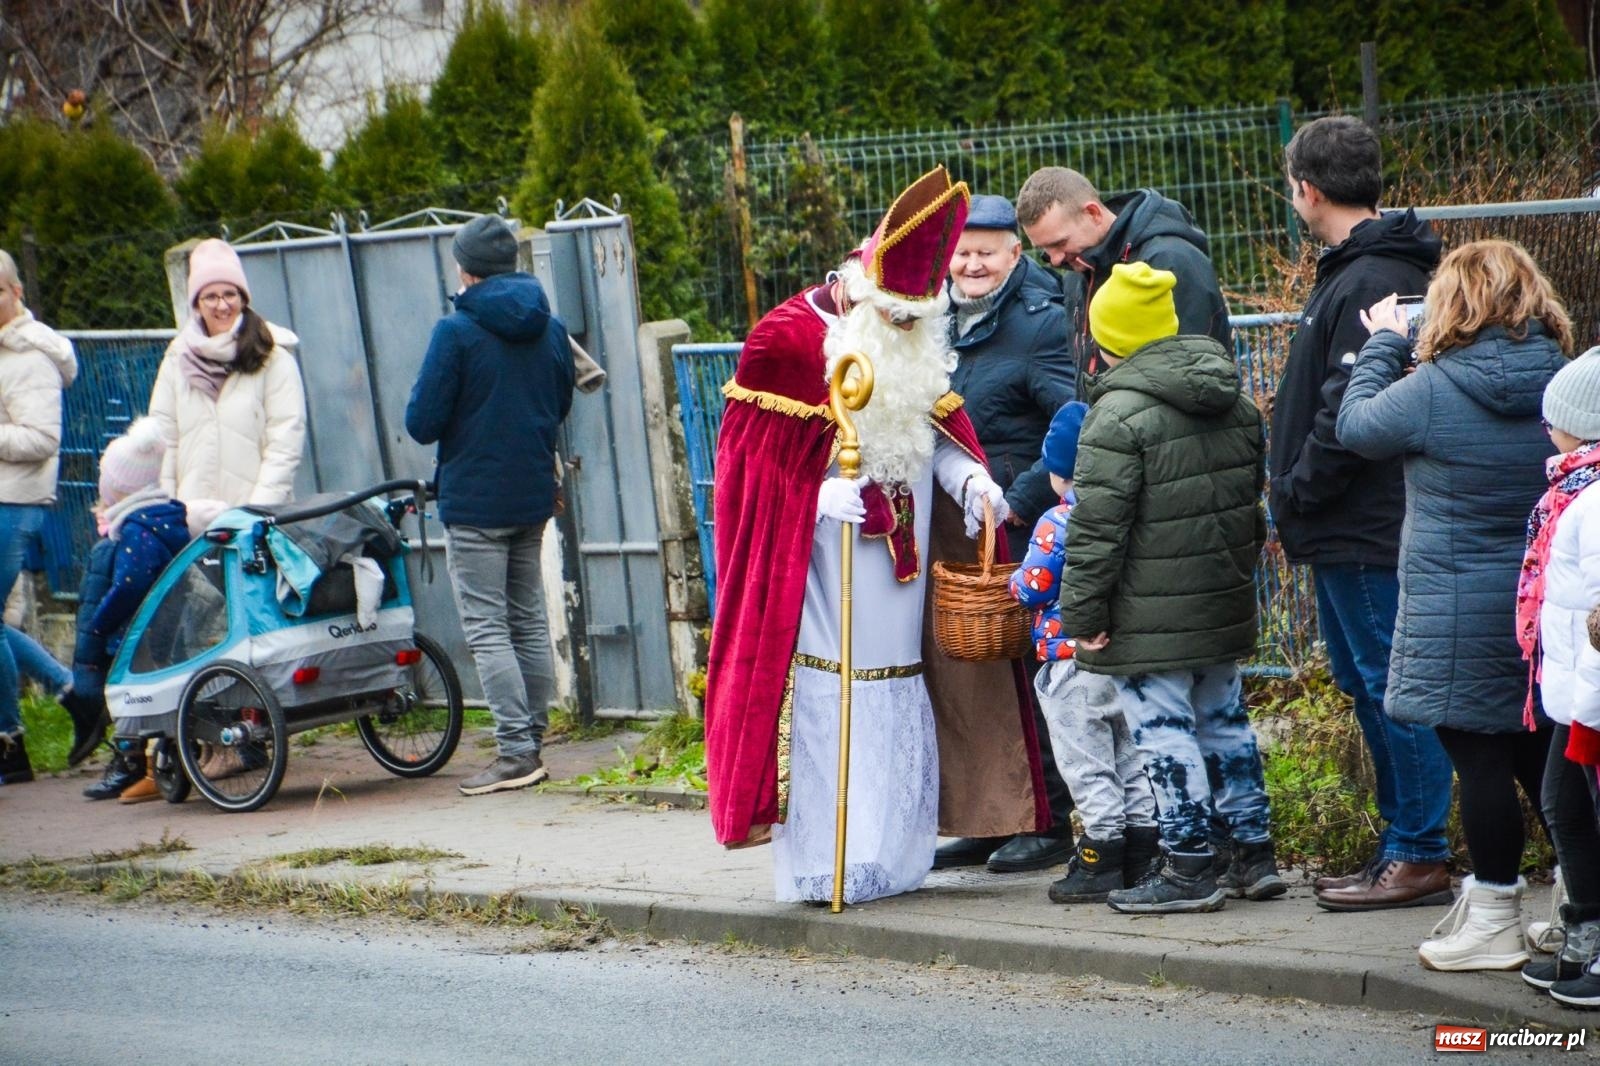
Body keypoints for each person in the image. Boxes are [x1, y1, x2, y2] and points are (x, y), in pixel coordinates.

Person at [705, 166, 1052, 904]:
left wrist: (970, 480)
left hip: (906, 565)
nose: (903, 330)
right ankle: (828, 860)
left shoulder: (912, 345)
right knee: (836, 698)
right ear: (860, 291)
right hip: (824, 568)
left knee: (898, 692)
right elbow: (745, 468)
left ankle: (892, 858)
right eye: (894, 316)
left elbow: (935, 433)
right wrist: (813, 494)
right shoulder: (787, 340)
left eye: (914, 319)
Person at [1336, 240, 1570, 969]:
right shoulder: (1566, 379)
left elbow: (1355, 427)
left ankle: (1494, 920)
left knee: (1480, 758)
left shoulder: (1433, 389)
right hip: (1546, 604)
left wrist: (1383, 342)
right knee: (1547, 757)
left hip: (1457, 609)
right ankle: (1579, 908)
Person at [1271, 116, 1456, 912]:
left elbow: (1349, 407)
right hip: (1342, 524)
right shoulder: (1362, 270)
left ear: (1307, 190)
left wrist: (1297, 489)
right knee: (1364, 681)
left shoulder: (1371, 276)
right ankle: (1398, 847)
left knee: (1391, 687)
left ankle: (1419, 851)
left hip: (1363, 523)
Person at [1060, 262, 1281, 914]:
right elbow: (1250, 509)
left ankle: (1188, 865)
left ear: (1108, 340)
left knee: (1162, 730)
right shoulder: (1236, 402)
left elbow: (1097, 529)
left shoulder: (1116, 416)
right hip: (1219, 596)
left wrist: (1084, 615)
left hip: (1145, 611)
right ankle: (1252, 853)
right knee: (1225, 721)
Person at [935, 193, 1082, 874]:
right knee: (977, 681)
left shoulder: (1042, 324)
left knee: (1029, 671)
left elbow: (1072, 423)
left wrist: (1019, 501)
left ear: (1015, 253)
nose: (972, 264)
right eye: (962, 253)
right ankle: (991, 817)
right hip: (958, 524)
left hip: (1018, 527)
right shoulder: (936, 320)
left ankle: (1047, 820)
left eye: (986, 253)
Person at [406, 214, 575, 797]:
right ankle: (531, 740)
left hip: (475, 502)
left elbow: (422, 422)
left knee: (487, 627)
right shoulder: (550, 328)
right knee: (527, 618)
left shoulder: (455, 332)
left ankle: (514, 752)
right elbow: (559, 404)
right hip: (532, 494)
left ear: (465, 269)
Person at [1009, 400, 1159, 902]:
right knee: (1130, 759)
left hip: (1071, 662)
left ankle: (1100, 858)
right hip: (1125, 658)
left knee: (1086, 763)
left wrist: (1014, 583)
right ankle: (1142, 855)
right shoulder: (1129, 512)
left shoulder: (1057, 520)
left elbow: (1034, 586)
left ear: (1058, 473)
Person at [0, 248, 98, 785]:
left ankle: (13, 742)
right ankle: (70, 697)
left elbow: (41, 439)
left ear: (17, 292)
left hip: (14, 503)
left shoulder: (31, 354)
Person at [1525, 348, 1600, 1008]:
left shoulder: (1594, 502)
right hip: (1575, 692)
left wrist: (1591, 706)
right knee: (1563, 805)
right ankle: (1586, 933)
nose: (1547, 425)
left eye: (1557, 416)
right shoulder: (1572, 490)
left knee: (1583, 810)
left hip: (1592, 699)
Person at [1016, 166, 1230, 390]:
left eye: (1060, 243)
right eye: (1044, 249)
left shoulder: (1170, 260)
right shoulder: (1077, 273)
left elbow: (1200, 379)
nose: (1055, 259)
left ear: (1093, 213)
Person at [149, 237, 306, 538]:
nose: (222, 305)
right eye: (210, 296)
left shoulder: (272, 357)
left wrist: (254, 517)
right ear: (196, 303)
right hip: (193, 529)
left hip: (257, 528)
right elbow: (163, 440)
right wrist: (169, 514)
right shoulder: (177, 358)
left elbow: (284, 444)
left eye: (230, 294)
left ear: (243, 298)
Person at [69, 419, 190, 802]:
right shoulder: (163, 517)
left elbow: (130, 583)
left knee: (127, 696)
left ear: (117, 487)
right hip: (167, 625)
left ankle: (131, 762)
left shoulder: (137, 529)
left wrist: (100, 622)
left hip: (139, 632)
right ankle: (152, 761)